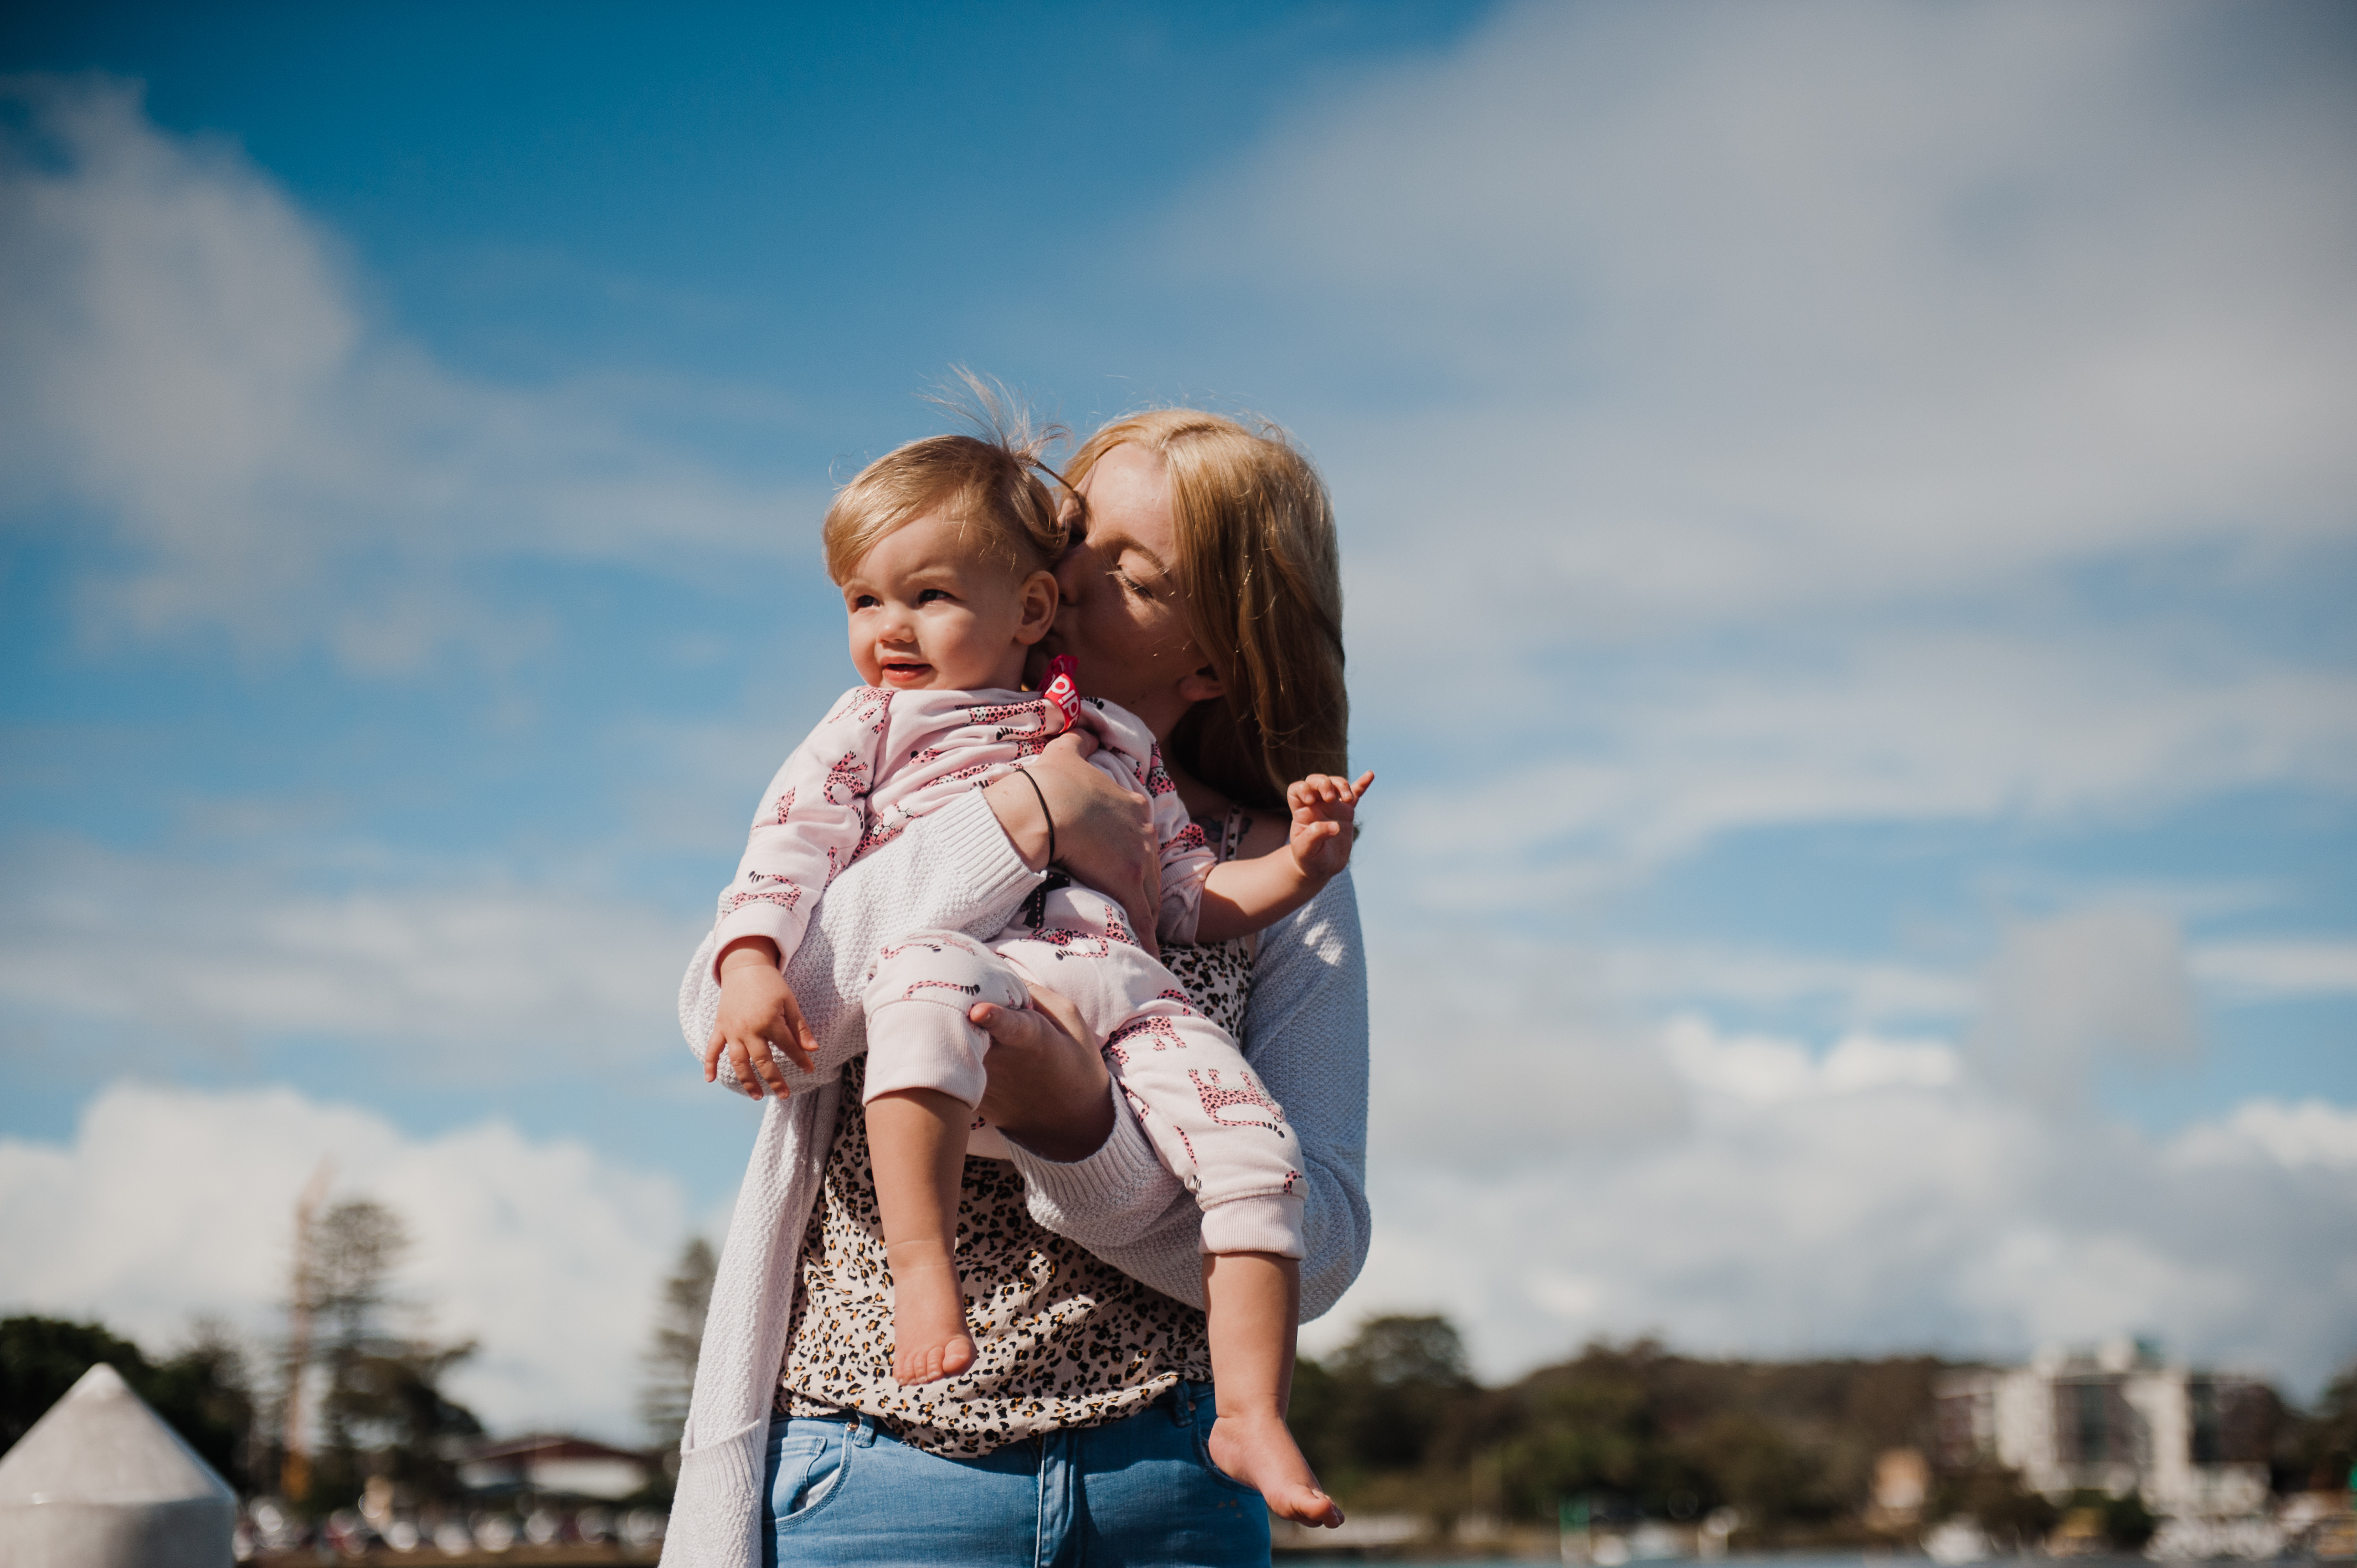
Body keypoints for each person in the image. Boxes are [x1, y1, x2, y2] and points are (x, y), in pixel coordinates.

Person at [663, 407, 1368, 1568]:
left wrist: (1080, 1135)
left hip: (1169, 1486)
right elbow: (746, 1031)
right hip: (881, 1464)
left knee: (1250, 1147)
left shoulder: (1261, 871)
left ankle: (1260, 1419)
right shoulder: (897, 757)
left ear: (1215, 656)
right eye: (1071, 536)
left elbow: (1324, 1245)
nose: (1066, 577)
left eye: (1127, 576)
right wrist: (1023, 814)